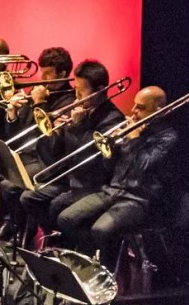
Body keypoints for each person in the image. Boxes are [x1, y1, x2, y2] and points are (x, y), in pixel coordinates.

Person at [56, 86, 177, 269]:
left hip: (139, 198)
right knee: (66, 218)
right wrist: (111, 150)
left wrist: (134, 139)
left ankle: (105, 272)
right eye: (134, 105)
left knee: (100, 229)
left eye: (141, 107)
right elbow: (109, 168)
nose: (133, 111)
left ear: (158, 109)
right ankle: (91, 259)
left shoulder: (168, 137)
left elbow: (142, 168)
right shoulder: (134, 130)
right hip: (112, 190)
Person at [21, 59, 125, 245]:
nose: (76, 95)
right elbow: (56, 151)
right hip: (72, 179)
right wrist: (58, 131)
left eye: (81, 90)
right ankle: (56, 242)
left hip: (94, 184)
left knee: (57, 209)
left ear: (100, 89)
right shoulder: (82, 111)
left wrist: (78, 128)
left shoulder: (112, 119)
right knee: (30, 198)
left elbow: (93, 161)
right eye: (75, 88)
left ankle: (70, 249)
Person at [0, 47, 74, 242]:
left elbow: (53, 146)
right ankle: (12, 222)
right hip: (28, 152)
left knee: (9, 185)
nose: (42, 76)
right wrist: (13, 112)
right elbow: (18, 132)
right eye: (42, 71)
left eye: (48, 73)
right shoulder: (37, 92)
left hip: (48, 160)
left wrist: (40, 104)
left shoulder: (69, 100)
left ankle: (22, 229)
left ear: (63, 74)